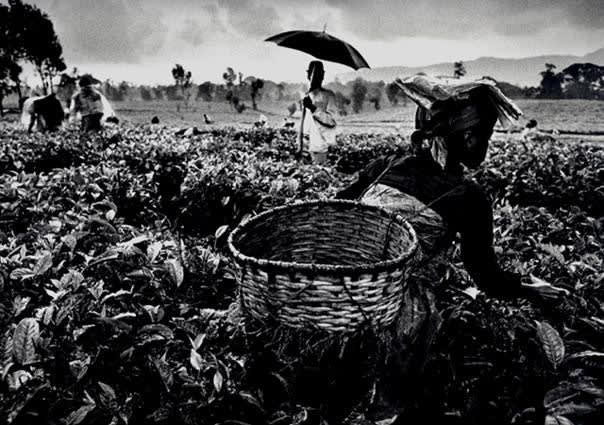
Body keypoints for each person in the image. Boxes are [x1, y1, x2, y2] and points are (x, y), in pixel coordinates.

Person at [337, 82, 566, 299]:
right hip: (388, 303)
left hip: (337, 285)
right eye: (486, 136)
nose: (486, 145)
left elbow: (337, 207)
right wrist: (533, 290)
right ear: (468, 137)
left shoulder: (385, 165)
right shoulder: (468, 197)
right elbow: (488, 279)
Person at [302, 61, 337, 164]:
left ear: (323, 75)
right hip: (304, 148)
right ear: (308, 75)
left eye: (318, 74)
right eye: (313, 74)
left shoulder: (328, 96)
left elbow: (331, 121)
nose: (315, 77)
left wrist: (313, 108)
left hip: (320, 148)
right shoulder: (306, 96)